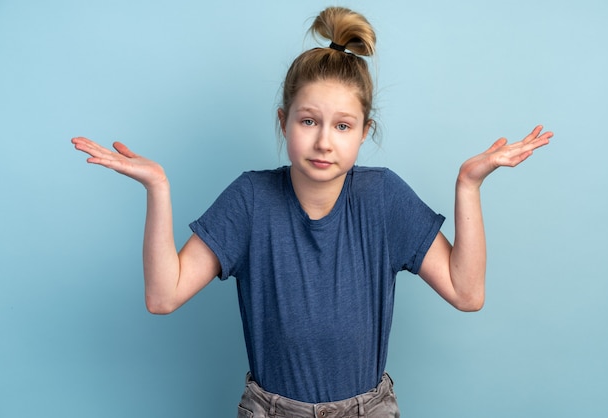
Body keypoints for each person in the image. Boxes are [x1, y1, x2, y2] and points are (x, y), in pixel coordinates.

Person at [72, 6, 552, 418]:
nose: (324, 141)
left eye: (343, 125)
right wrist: (159, 188)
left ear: (364, 132)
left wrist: (468, 184)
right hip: (271, 408)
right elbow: (163, 296)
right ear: (284, 122)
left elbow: (467, 293)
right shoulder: (250, 200)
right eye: (308, 121)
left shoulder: (383, 199)